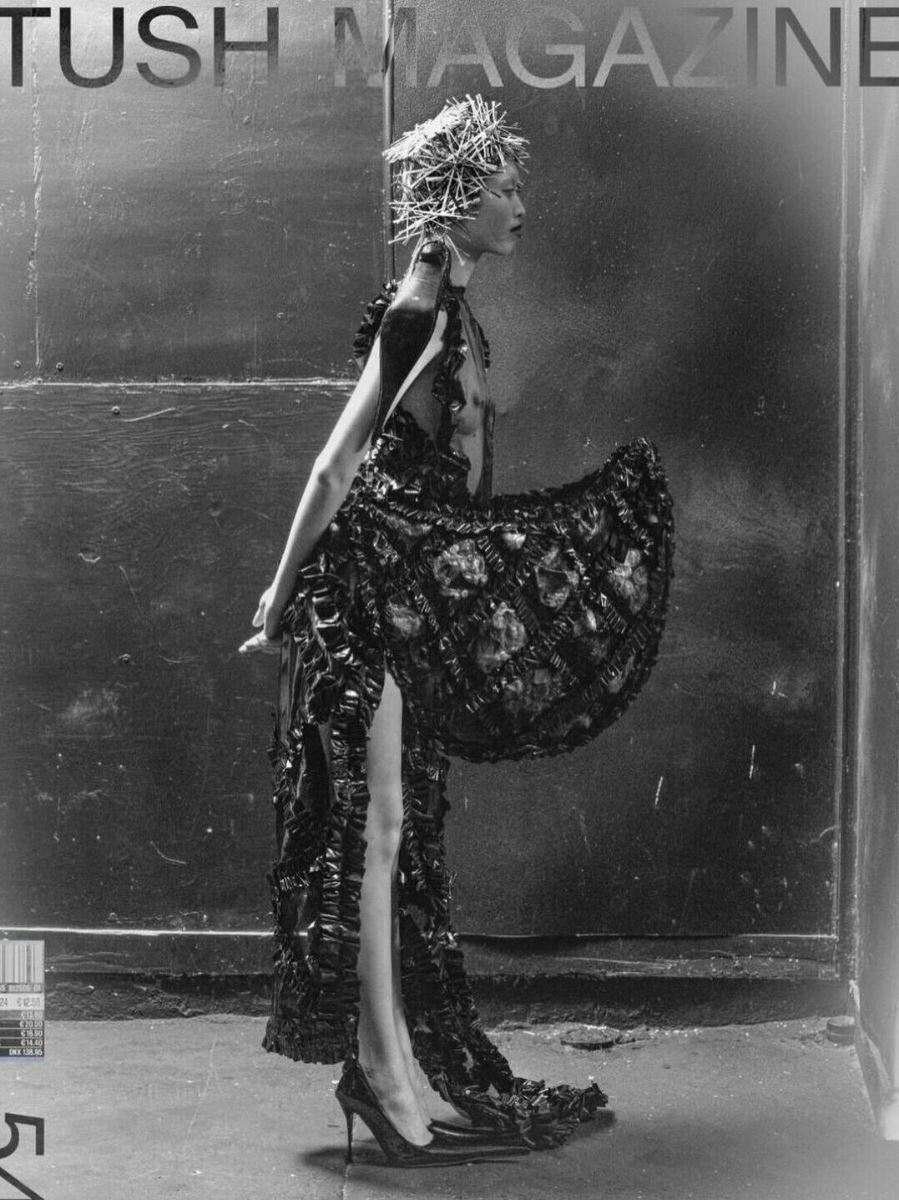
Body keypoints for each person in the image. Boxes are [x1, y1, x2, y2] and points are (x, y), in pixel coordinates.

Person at [239, 95, 674, 1167]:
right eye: (503, 188)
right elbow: (334, 465)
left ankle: (389, 1072)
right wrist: (279, 593)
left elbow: (451, 475)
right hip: (367, 594)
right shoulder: (416, 312)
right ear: (454, 198)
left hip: (412, 591)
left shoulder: (453, 309)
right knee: (373, 836)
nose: (520, 205)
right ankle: (381, 1077)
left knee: (395, 837)